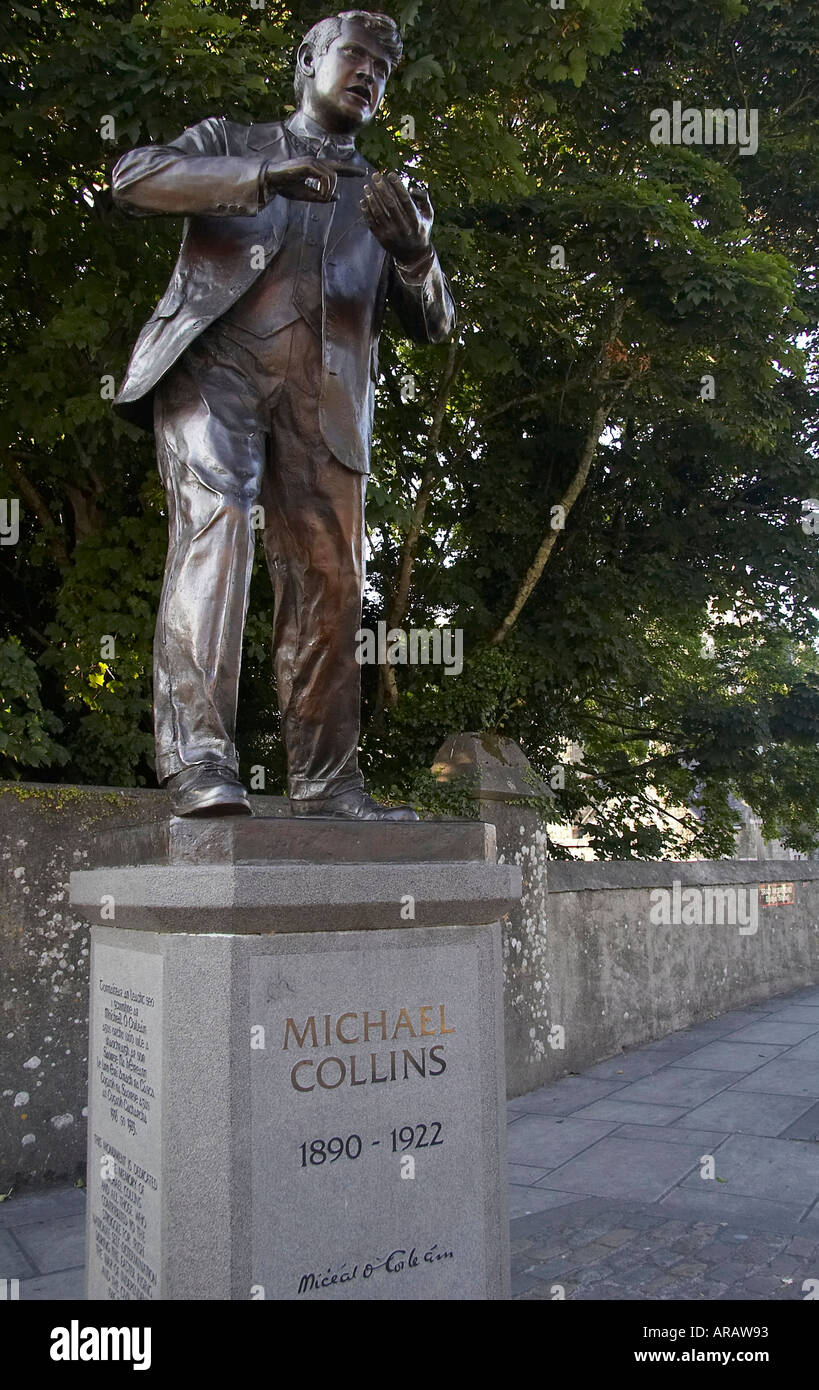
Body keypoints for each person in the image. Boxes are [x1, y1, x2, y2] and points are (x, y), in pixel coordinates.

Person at [111, 9, 456, 819]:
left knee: (331, 581)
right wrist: (259, 177)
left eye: (382, 66)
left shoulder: (389, 198)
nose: (369, 73)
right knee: (215, 536)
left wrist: (416, 255)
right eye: (354, 56)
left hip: (324, 400)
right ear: (308, 60)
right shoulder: (230, 140)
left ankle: (328, 781)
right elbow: (132, 177)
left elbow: (437, 326)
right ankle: (199, 758)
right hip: (214, 374)